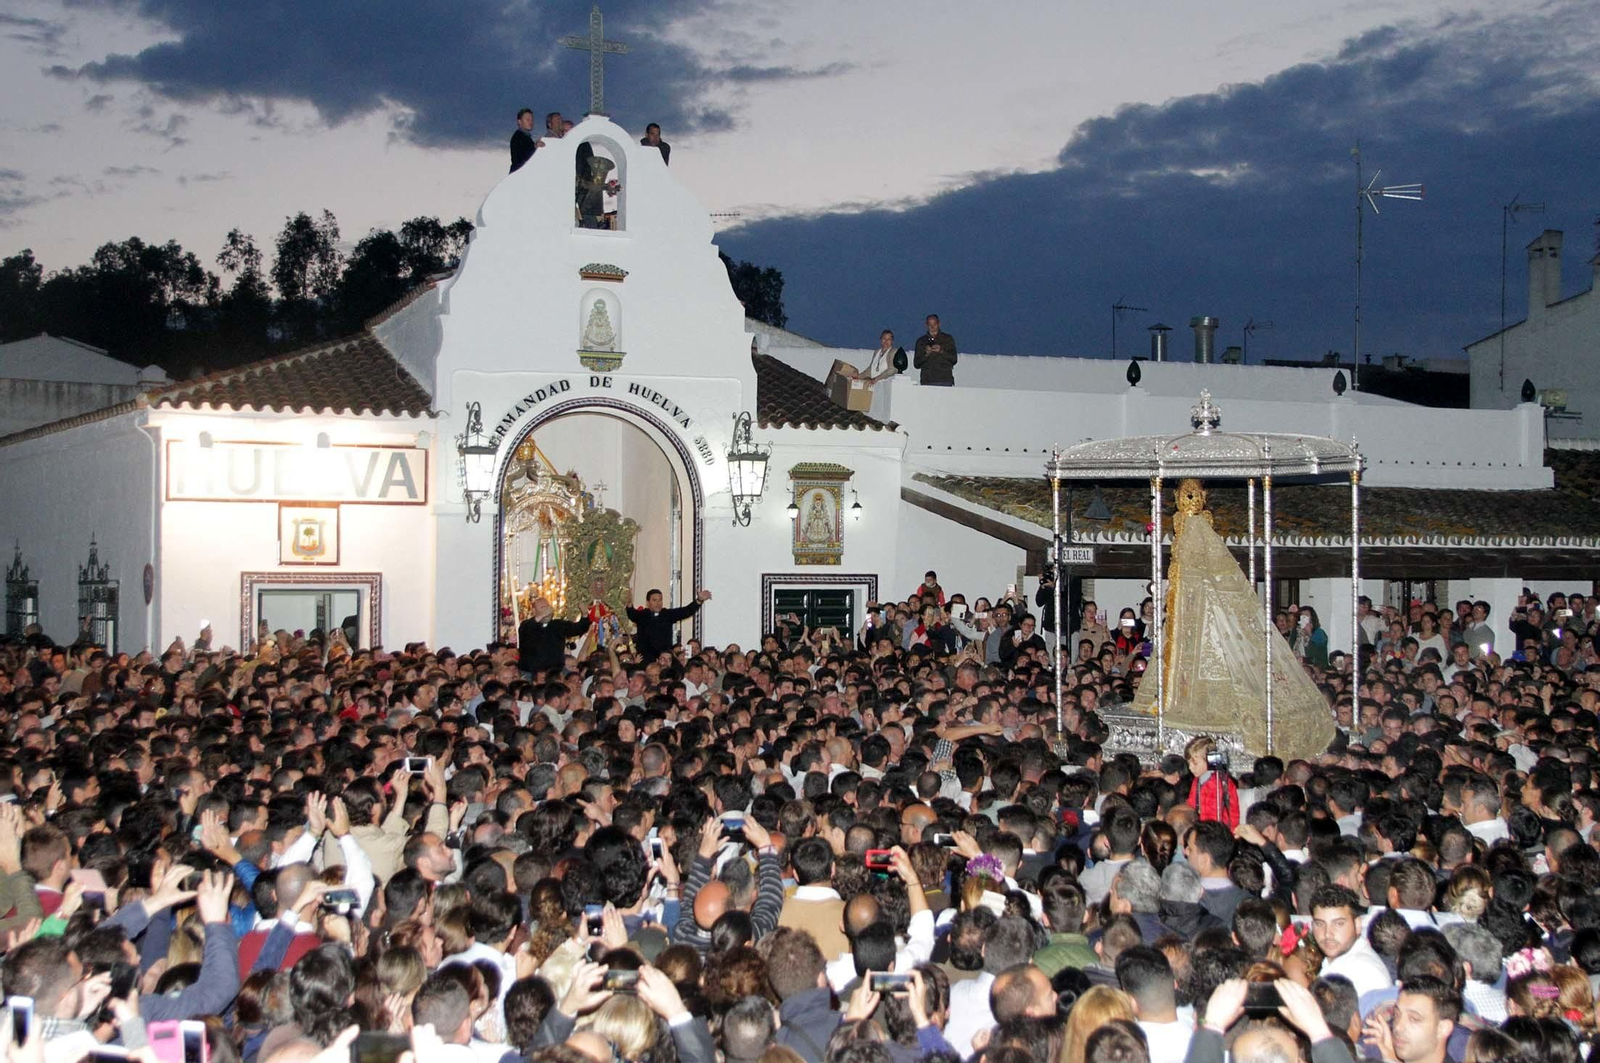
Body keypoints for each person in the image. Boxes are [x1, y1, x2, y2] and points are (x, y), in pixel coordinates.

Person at [625, 587, 712, 662]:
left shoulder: (667, 614)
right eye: (654, 600)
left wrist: (699, 600)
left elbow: (686, 611)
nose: (658, 603)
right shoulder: (642, 615)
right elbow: (632, 614)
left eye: (660, 600)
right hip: (646, 660)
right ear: (648, 602)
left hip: (665, 659)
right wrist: (629, 604)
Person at [518, 596, 592, 677]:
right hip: (532, 673)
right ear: (534, 611)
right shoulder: (526, 626)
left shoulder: (557, 625)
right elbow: (527, 630)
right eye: (543, 608)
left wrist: (585, 615)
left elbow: (578, 629)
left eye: (548, 607)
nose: (547, 610)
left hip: (555, 672)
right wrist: (542, 615)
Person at [913, 314, 957, 386]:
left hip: (944, 380)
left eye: (934, 324)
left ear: (939, 324)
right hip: (927, 380)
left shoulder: (947, 339)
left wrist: (941, 351)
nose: (932, 327)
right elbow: (916, 364)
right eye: (930, 324)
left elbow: (954, 359)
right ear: (926, 325)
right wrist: (926, 354)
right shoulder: (921, 341)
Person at [510, 108, 542, 173]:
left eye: (531, 119)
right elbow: (519, 159)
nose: (530, 122)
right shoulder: (518, 138)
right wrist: (534, 147)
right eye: (527, 119)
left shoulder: (524, 137)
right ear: (519, 121)